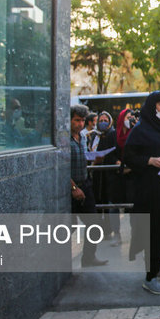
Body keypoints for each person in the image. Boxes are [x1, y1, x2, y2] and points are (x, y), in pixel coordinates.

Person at [124, 92, 160, 295]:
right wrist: (149, 160)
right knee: (152, 231)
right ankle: (150, 276)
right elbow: (129, 156)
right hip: (149, 190)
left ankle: (155, 267)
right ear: (152, 106)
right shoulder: (141, 130)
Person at [70, 104, 107, 267]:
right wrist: (73, 188)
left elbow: (85, 158)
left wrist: (95, 159)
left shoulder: (83, 137)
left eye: (82, 121)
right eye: (77, 120)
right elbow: (61, 167)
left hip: (85, 184)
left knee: (94, 223)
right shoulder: (63, 139)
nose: (80, 124)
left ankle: (89, 257)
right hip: (70, 188)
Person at [93, 111, 122, 245]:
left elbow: (113, 153)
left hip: (109, 175)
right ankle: (104, 231)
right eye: (101, 120)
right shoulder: (95, 135)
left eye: (105, 120)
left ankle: (115, 232)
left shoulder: (112, 134)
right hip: (98, 176)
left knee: (111, 204)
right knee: (100, 203)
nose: (103, 123)